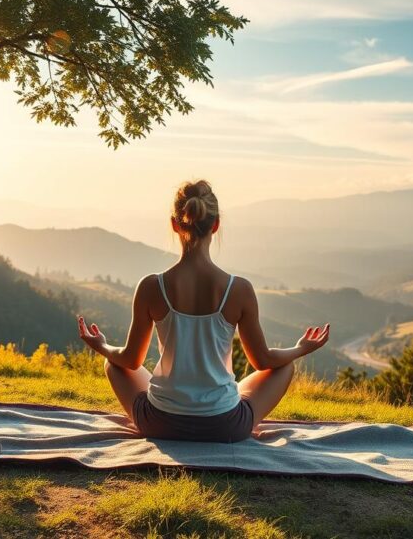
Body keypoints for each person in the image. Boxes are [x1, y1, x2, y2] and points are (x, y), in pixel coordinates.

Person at [77, 180, 330, 443]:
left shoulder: (151, 286)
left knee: (113, 364)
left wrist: (103, 346)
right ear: (216, 224)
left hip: (159, 423)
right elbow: (263, 361)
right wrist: (301, 348)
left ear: (175, 224)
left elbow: (130, 360)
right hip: (225, 427)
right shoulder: (239, 289)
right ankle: (221, 399)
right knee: (284, 367)